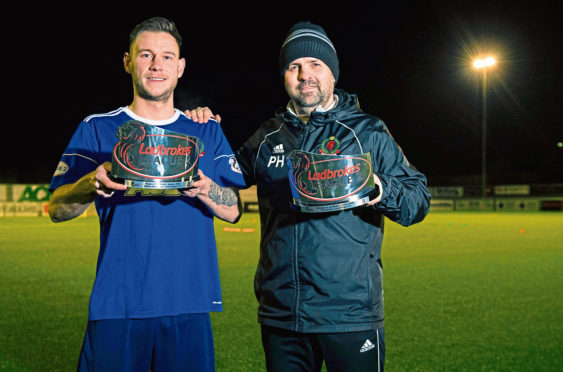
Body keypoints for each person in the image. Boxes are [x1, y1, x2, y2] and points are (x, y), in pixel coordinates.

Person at [188, 21, 430, 372]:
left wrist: (377, 186)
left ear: (332, 72)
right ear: (285, 76)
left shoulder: (368, 131)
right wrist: (204, 128)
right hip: (282, 316)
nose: (305, 74)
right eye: (294, 66)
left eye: (316, 64)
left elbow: (417, 200)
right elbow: (225, 182)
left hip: (349, 316)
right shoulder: (268, 137)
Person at [48, 17, 244, 371]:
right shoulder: (97, 128)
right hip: (118, 301)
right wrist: (87, 185)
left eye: (168, 57)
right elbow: (56, 209)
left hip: (189, 300)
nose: (157, 65)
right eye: (146, 55)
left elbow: (233, 209)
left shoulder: (204, 131)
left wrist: (206, 187)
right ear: (127, 61)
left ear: (181, 67)